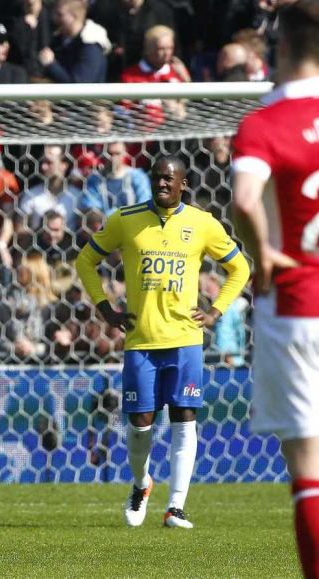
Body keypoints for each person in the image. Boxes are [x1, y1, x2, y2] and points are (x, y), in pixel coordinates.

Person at [75, 156, 249, 529]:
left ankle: (176, 507)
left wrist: (216, 312)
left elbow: (240, 268)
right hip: (141, 341)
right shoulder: (126, 218)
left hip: (186, 340)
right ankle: (142, 484)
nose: (162, 184)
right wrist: (106, 309)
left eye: (170, 179)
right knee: (140, 424)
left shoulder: (202, 223)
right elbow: (85, 261)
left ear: (184, 183)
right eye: (157, 178)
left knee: (184, 419)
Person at [230, 1, 319, 574]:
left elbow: (242, 201)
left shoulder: (263, 123)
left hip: (298, 304)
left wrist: (260, 253)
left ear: (279, 48)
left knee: (309, 467)